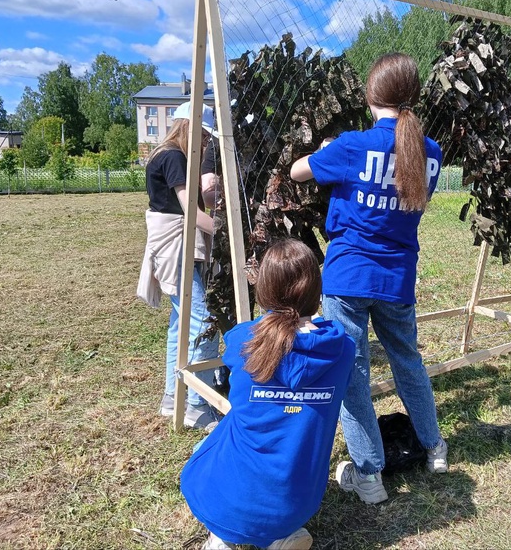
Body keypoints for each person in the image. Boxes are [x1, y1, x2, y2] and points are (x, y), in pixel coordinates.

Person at [290, 52, 448, 504]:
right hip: (398, 279)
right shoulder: (429, 153)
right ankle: (434, 448)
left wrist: (323, 151)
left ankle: (369, 474)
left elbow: (299, 172)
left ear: (370, 95)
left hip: (348, 278)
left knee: (354, 373)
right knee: (408, 362)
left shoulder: (352, 146)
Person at [181, 239, 355, 550]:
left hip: (227, 503)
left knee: (205, 445)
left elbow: (261, 337)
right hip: (298, 504)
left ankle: (222, 537)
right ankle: (279, 535)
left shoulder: (241, 341)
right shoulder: (342, 351)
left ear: (264, 291)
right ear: (317, 291)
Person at [137, 101, 222, 430]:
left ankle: (173, 397)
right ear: (191, 128)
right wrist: (223, 230)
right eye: (203, 136)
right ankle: (198, 404)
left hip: (175, 244)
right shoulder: (174, 156)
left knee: (180, 321)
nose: (205, 144)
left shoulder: (165, 153)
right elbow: (189, 207)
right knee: (203, 320)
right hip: (177, 245)